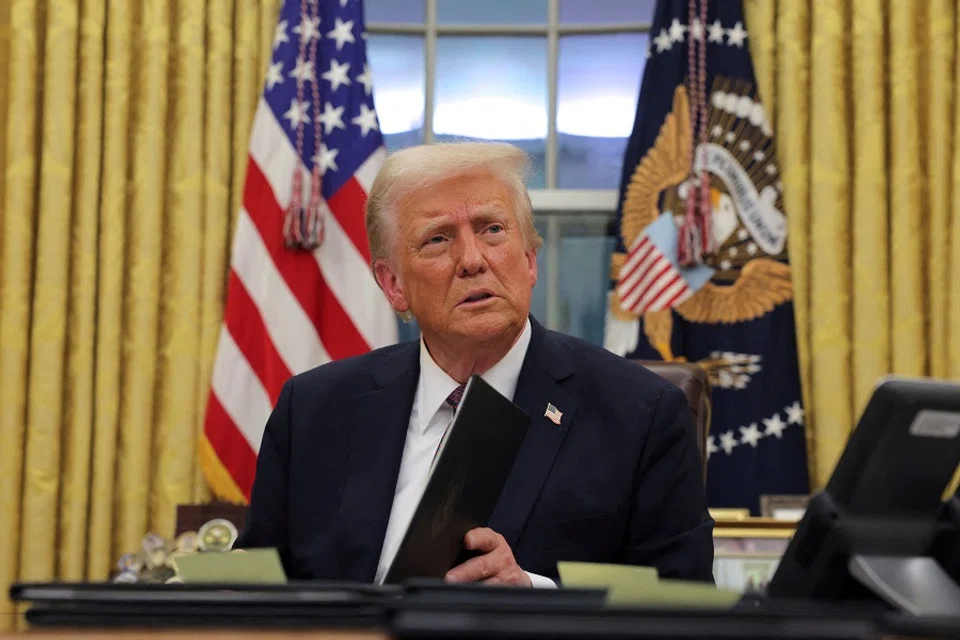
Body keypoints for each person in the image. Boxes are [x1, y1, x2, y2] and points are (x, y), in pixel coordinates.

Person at [236, 141, 714, 587]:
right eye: (438, 239)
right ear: (393, 284)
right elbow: (253, 592)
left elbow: (676, 599)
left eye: (492, 229)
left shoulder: (641, 414)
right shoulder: (314, 412)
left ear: (530, 259)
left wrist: (535, 596)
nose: (471, 260)